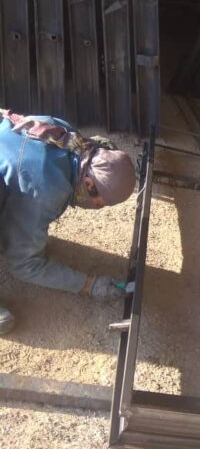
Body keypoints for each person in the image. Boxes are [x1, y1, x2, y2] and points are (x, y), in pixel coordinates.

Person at [0, 109, 137, 334]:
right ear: (89, 185)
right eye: (100, 204)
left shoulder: (67, 136)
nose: (96, 208)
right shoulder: (45, 192)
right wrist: (88, 285)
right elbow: (25, 266)